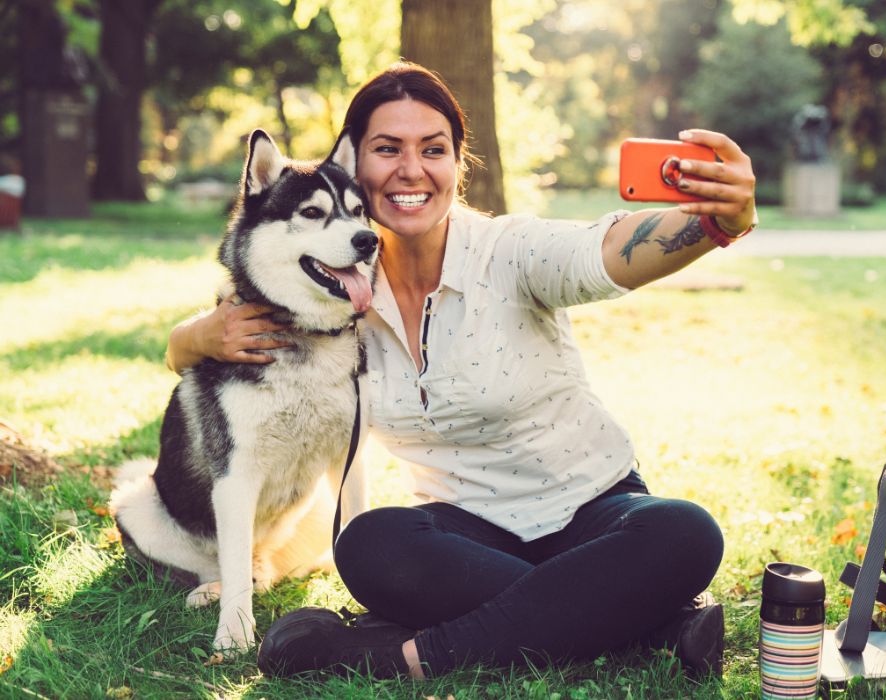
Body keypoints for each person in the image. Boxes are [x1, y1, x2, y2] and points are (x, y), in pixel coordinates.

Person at [166, 61, 756, 680]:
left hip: (592, 513)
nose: (411, 169)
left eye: (434, 149)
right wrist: (196, 336)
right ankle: (653, 623)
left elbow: (604, 250)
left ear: (457, 164)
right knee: (368, 547)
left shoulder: (510, 252)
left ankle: (400, 657)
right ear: (355, 168)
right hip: (466, 537)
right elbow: (211, 342)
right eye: (387, 149)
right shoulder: (335, 292)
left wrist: (718, 220)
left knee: (685, 532)